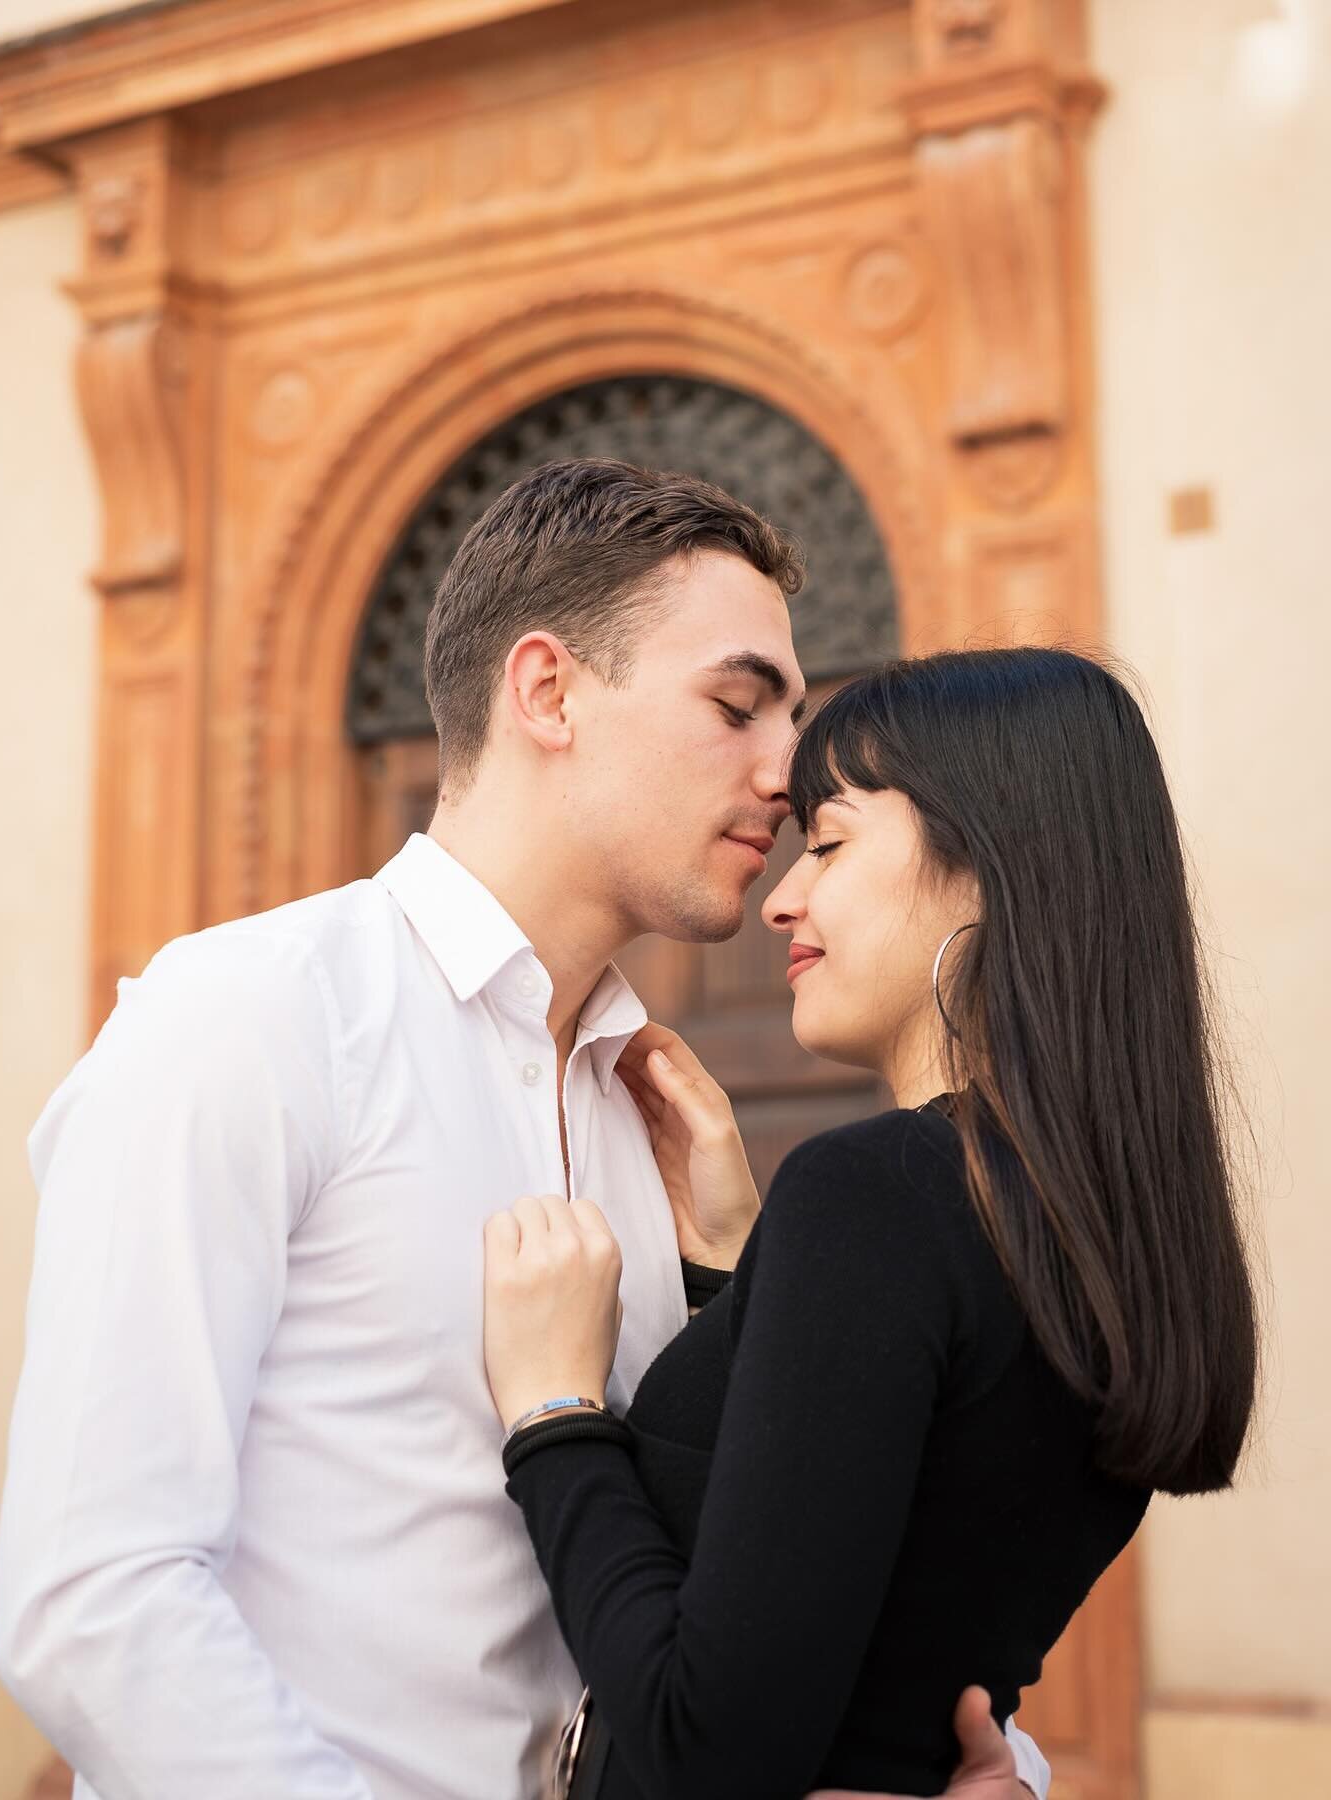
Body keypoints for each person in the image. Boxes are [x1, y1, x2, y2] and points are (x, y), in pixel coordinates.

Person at [0, 460, 1050, 1799]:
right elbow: (95, 1599)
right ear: (547, 691)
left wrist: (986, 1769)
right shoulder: (249, 1020)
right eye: (736, 706)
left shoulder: (659, 1121)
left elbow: (743, 1595)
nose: (788, 776)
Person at [483, 646, 1260, 1799]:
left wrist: (554, 1414)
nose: (783, 896)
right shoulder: (1098, 1238)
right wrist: (742, 1284)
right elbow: (884, 1554)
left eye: (832, 844)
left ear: (990, 867)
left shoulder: (881, 1196)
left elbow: (709, 1746)